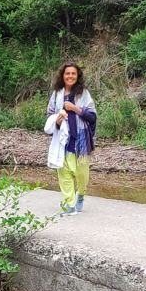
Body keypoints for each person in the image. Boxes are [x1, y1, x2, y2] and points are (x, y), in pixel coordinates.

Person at [44, 63, 97, 214]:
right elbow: (50, 116)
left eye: (73, 73)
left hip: (81, 140)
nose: (70, 76)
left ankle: (80, 195)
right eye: (67, 73)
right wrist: (58, 120)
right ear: (62, 76)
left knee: (81, 174)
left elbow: (92, 116)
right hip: (63, 139)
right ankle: (70, 204)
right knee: (64, 172)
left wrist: (74, 108)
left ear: (77, 76)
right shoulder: (56, 94)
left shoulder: (84, 94)